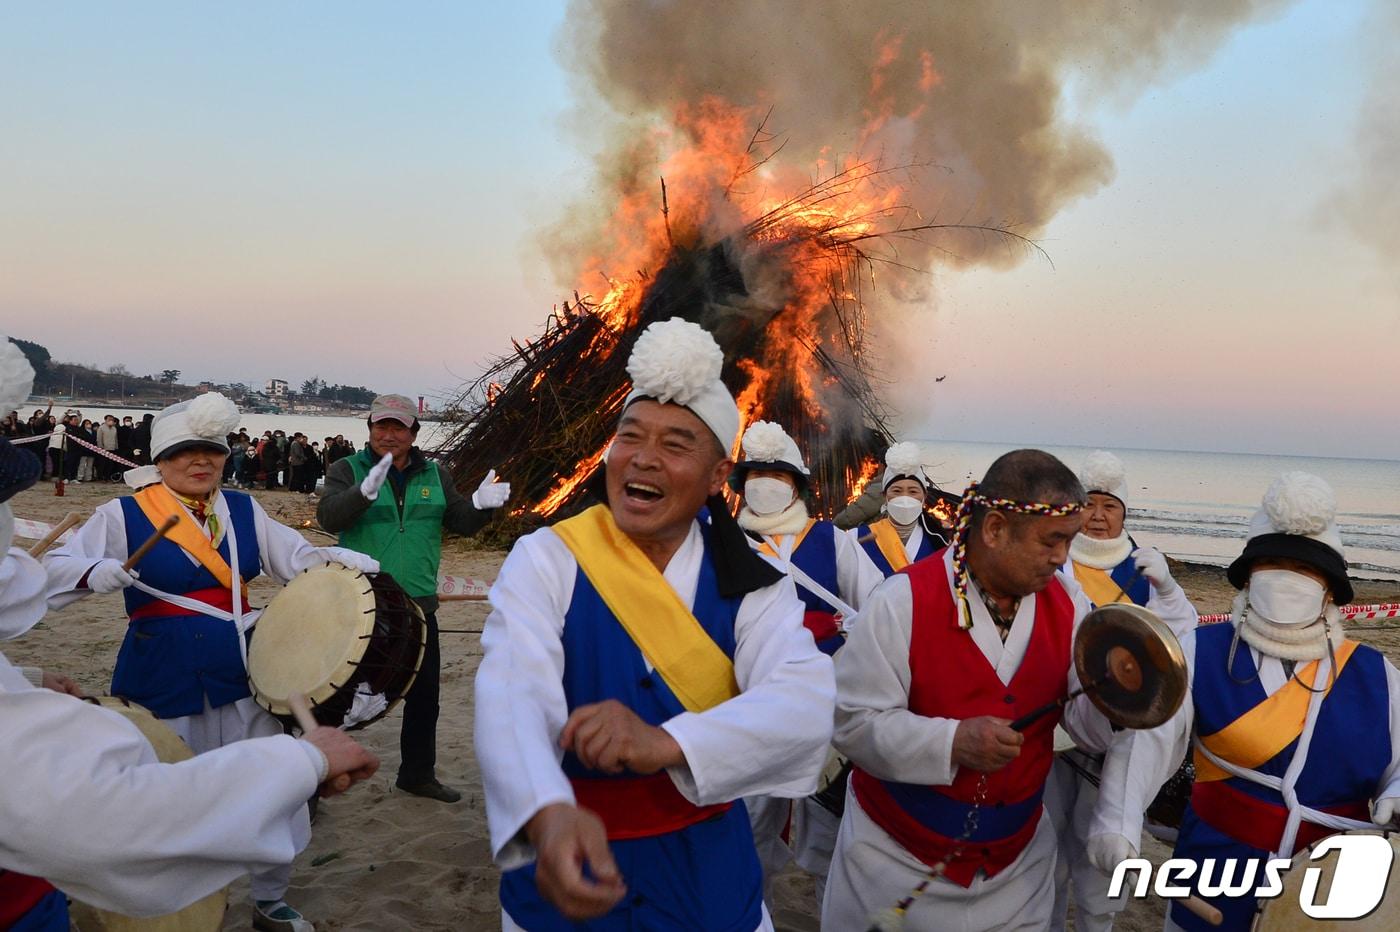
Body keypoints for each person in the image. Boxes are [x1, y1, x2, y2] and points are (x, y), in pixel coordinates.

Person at [475, 318, 835, 930]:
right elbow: (511, 690)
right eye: (631, 436)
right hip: (563, 875)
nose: (644, 458)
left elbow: (804, 702)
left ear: (719, 476)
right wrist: (544, 811)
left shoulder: (754, 584)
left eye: (676, 444)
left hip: (708, 884)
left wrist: (665, 743)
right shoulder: (548, 558)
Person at [42, 392, 380, 932]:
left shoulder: (243, 509)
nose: (201, 461)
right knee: (170, 792)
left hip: (243, 667)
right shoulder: (123, 513)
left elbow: (296, 561)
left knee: (274, 786)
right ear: (160, 460)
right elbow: (56, 567)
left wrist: (336, 562)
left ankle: (270, 898)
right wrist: (92, 572)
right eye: (184, 452)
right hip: (161, 669)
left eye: (213, 450)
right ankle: (181, 909)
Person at [821, 449, 1146, 931]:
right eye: (1052, 541)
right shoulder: (901, 601)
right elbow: (853, 724)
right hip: (891, 860)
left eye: (1069, 540)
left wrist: (1120, 696)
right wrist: (951, 741)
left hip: (1018, 870)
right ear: (994, 529)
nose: (1063, 557)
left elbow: (1088, 729)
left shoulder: (1070, 604)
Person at [1086, 472, 1400, 931]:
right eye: (1272, 562)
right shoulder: (1200, 650)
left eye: (1305, 569)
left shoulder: (1378, 675)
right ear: (1249, 577)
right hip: (1212, 876)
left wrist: (1395, 793)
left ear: (1330, 588)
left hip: (1331, 896)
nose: (1286, 577)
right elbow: (1146, 743)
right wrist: (1117, 822)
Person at [318, 392, 509, 803]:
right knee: (335, 693)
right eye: (381, 426)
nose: (389, 435)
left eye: (398, 427)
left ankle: (417, 774)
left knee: (424, 696)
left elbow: (461, 523)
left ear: (413, 433)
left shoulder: (435, 474)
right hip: (360, 601)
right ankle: (317, 778)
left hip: (419, 604)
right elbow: (329, 518)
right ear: (370, 428)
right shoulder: (346, 469)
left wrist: (481, 505)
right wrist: (361, 494)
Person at [1046, 450, 1200, 932]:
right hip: (1052, 729)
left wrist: (1169, 593)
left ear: (1124, 513)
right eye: (1089, 504)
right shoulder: (1051, 558)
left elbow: (1179, 644)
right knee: (1045, 851)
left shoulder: (1144, 569)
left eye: (1109, 506)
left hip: (1119, 734)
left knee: (1098, 860)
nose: (1097, 515)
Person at [730, 419, 882, 902]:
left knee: (827, 831)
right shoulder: (722, 544)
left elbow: (878, 605)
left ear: (796, 485)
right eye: (757, 474)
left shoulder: (831, 541)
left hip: (825, 707)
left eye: (777, 475)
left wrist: (850, 634)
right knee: (750, 826)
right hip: (750, 705)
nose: (766, 484)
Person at [852, 441, 954, 577]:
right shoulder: (858, 537)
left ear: (924, 497)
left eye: (913, 491)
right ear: (885, 496)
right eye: (897, 491)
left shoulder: (938, 542)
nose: (905, 498)